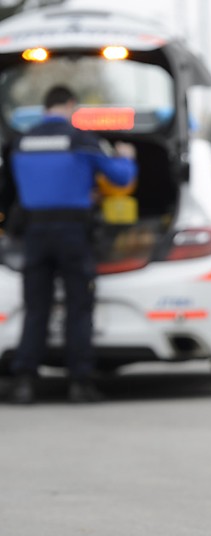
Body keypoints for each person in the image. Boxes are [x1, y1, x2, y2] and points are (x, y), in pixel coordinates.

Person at [5, 85, 137, 404]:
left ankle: (24, 382)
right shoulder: (80, 140)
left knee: (36, 309)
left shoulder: (21, 142)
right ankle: (80, 383)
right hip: (73, 235)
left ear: (44, 106)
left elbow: (8, 189)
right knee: (79, 307)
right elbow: (120, 179)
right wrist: (127, 158)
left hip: (34, 235)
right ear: (70, 105)